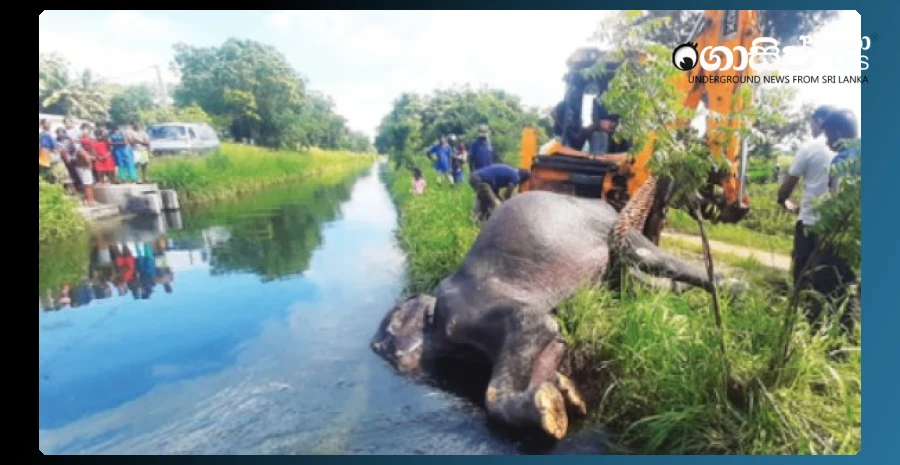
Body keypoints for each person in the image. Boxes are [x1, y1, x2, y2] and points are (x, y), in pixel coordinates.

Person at [778, 105, 858, 331]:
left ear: (840, 133)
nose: (827, 140)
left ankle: (812, 330)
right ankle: (843, 336)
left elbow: (837, 200)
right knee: (847, 285)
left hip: (829, 231)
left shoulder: (842, 160)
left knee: (818, 282)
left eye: (830, 134)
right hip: (854, 237)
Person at [74, 136, 96, 206]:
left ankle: (90, 199)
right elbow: (87, 159)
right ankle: (90, 201)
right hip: (84, 169)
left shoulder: (85, 150)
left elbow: (93, 157)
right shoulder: (81, 151)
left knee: (89, 184)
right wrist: (90, 163)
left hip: (84, 169)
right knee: (88, 185)